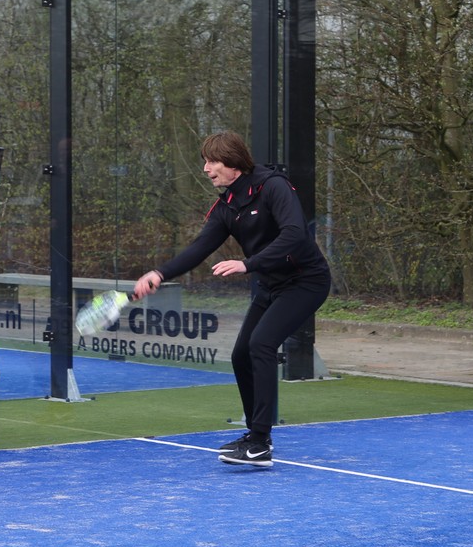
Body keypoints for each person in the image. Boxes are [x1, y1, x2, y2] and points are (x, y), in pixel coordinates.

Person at [133, 131, 331, 468]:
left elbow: (295, 234)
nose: (206, 169)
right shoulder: (226, 206)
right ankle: (256, 436)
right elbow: (200, 247)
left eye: (212, 162)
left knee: (261, 345)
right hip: (271, 286)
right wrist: (160, 274)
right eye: (205, 162)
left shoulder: (273, 187)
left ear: (234, 164)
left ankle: (260, 442)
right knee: (241, 355)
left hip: (306, 282)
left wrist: (248, 264)